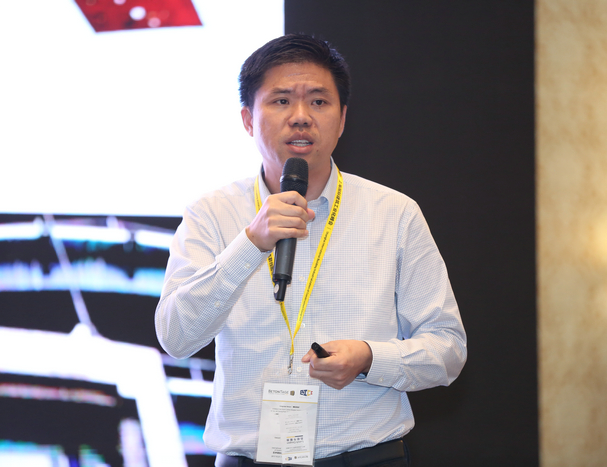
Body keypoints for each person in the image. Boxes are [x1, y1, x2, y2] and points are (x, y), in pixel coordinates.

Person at [155, 34, 466, 467]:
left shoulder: (394, 213)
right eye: (281, 101)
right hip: (248, 458)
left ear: (342, 120)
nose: (300, 117)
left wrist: (370, 358)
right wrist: (250, 244)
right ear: (248, 119)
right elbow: (176, 338)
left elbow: (447, 349)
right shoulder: (210, 213)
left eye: (319, 102)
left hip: (366, 458)